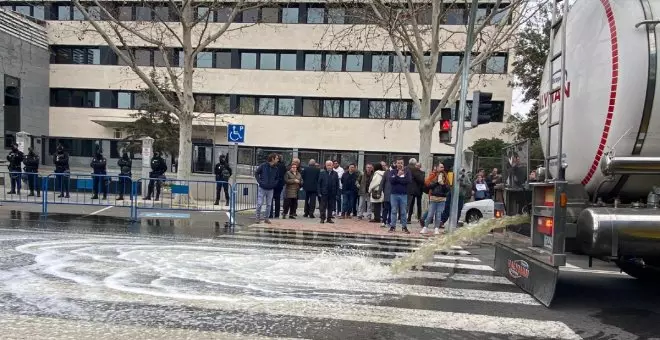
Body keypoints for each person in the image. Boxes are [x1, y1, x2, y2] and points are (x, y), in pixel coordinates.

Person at [421, 163, 450, 235]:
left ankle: (436, 228)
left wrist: (442, 184)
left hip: (442, 199)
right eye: (440, 167)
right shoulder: (434, 176)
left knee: (438, 214)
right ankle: (425, 227)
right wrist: (437, 182)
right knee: (430, 214)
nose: (442, 169)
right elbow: (429, 185)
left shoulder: (446, 177)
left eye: (443, 167)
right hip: (433, 198)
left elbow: (447, 189)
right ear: (437, 168)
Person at [388, 158, 411, 233]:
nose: (400, 164)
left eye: (401, 163)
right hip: (394, 194)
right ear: (396, 164)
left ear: (403, 164)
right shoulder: (392, 172)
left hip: (403, 194)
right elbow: (391, 181)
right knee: (394, 211)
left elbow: (408, 181)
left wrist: (397, 180)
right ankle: (392, 226)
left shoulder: (407, 172)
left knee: (403, 212)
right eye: (398, 163)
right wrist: (398, 175)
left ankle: (404, 227)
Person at [254, 153, 279, 224]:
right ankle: (257, 218)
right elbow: (256, 173)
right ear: (272, 159)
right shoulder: (263, 166)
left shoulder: (276, 168)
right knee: (259, 203)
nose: (278, 160)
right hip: (262, 188)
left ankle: (266, 218)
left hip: (270, 189)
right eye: (277, 158)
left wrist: (274, 184)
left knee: (269, 205)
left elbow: (277, 178)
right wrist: (260, 182)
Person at [406, 158, 425, 223]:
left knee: (419, 204)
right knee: (411, 204)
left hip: (419, 190)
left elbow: (422, 181)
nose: (417, 167)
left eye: (419, 166)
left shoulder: (422, 172)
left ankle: (419, 218)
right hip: (413, 190)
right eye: (417, 165)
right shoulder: (413, 171)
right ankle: (409, 218)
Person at [270, 154, 287, 219]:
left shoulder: (274, 165)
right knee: (278, 199)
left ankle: (270, 214)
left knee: (270, 199)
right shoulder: (283, 166)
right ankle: (277, 214)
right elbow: (284, 174)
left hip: (273, 183)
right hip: (280, 184)